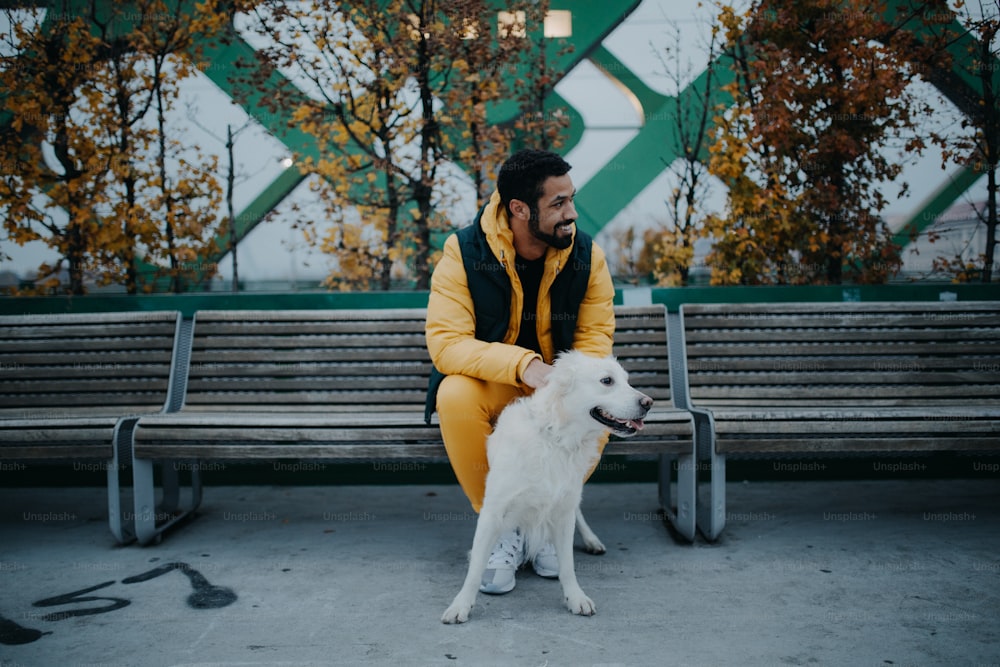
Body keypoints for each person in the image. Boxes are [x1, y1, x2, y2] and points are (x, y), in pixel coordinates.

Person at [424, 148, 616, 594]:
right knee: (453, 394)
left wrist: (562, 382)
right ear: (518, 209)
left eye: (571, 199)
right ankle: (502, 529)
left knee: (595, 402)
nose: (571, 214)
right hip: (497, 385)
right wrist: (523, 365)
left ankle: (548, 525)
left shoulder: (589, 257)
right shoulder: (463, 251)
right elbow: (447, 343)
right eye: (558, 204)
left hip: (558, 390)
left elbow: (594, 344)